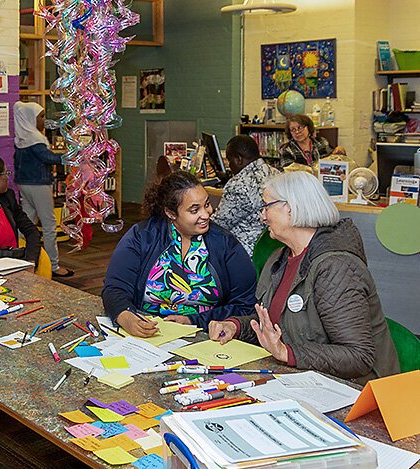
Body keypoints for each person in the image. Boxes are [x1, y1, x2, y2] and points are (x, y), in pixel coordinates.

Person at [208, 172, 399, 383]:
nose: (262, 216)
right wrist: (235, 326)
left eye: (267, 206)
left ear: (290, 207)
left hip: (355, 392)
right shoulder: (279, 258)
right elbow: (275, 325)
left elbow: (358, 356)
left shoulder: (336, 267)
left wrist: (286, 353)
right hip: (306, 381)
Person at [102, 171, 257, 337]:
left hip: (204, 336)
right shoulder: (142, 236)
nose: (206, 214)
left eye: (206, 204)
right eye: (194, 210)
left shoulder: (225, 244)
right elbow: (115, 288)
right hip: (147, 334)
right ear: (171, 213)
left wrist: (193, 320)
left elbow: (245, 304)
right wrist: (126, 317)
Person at [13, 100, 74, 277]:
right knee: (49, 225)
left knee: (27, 223)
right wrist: (69, 156)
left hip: (24, 184)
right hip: (39, 185)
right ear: (30, 119)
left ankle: (21, 258)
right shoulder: (35, 139)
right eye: (40, 116)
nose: (43, 120)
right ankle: (53, 266)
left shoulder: (21, 137)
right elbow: (47, 157)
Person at [211, 134, 279, 256]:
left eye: (229, 160)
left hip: (244, 253)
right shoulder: (276, 173)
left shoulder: (239, 185)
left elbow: (218, 225)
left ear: (238, 159)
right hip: (273, 250)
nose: (229, 166)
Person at [279, 114, 346, 170]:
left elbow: (332, 160)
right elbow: (288, 172)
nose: (297, 132)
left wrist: (339, 152)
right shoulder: (286, 149)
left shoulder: (321, 142)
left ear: (308, 127)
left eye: (300, 128)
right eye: (293, 130)